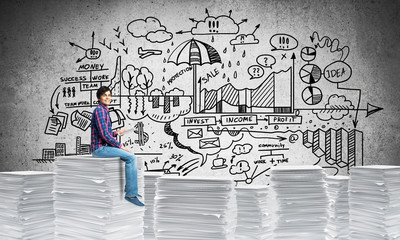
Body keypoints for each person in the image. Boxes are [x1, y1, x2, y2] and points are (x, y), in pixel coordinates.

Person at [90, 86, 144, 206]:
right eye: (104, 95)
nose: (107, 97)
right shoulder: (100, 111)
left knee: (131, 157)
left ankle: (132, 190)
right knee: (131, 157)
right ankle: (130, 194)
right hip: (99, 148)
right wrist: (120, 146)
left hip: (102, 146)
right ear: (99, 98)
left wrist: (116, 133)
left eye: (109, 95)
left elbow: (105, 132)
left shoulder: (104, 111)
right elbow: (104, 135)